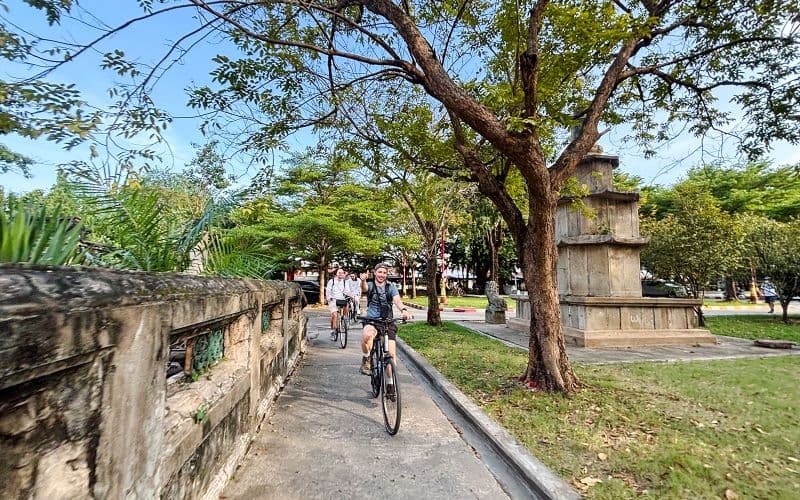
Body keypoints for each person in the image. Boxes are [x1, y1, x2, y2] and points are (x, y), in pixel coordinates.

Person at [359, 264, 411, 397]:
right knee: (367, 335)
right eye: (379, 272)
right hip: (372, 320)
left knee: (391, 356)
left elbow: (397, 300)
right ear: (374, 272)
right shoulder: (370, 285)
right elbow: (364, 288)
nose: (382, 274)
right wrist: (363, 280)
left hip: (387, 322)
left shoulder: (391, 287)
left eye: (384, 272)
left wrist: (403, 310)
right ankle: (367, 359)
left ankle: (390, 383)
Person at [325, 267, 352, 340]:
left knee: (347, 305)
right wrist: (329, 298)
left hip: (342, 299)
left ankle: (344, 319)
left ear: (344, 274)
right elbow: (328, 290)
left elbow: (347, 291)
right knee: (334, 315)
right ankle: (333, 331)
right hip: (333, 300)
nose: (340, 274)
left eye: (342, 273)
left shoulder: (345, 282)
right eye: (339, 272)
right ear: (336, 274)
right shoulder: (331, 281)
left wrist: (352, 296)